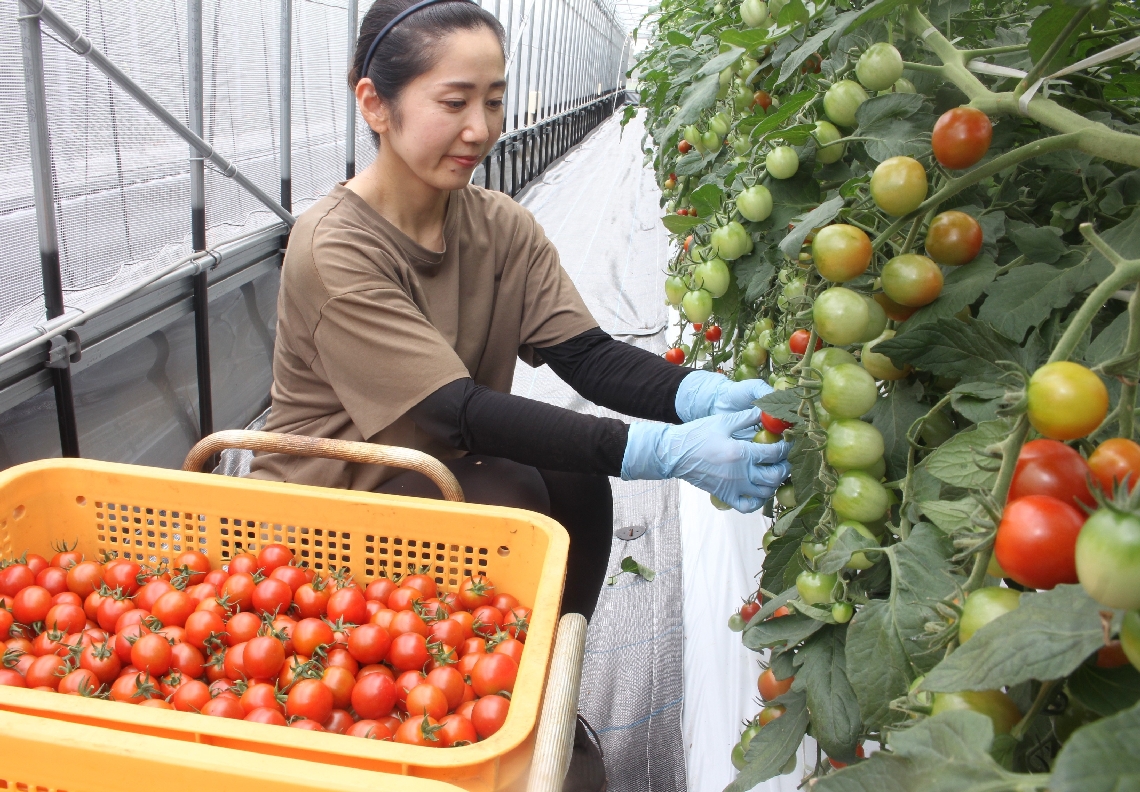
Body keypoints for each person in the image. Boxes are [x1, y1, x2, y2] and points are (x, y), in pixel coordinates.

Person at [248, 0, 791, 622]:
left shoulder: (500, 225)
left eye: (494, 100)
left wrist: (698, 393)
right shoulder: (334, 248)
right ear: (374, 103)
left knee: (576, 482)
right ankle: (496, 693)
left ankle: (554, 684)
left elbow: (585, 356)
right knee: (514, 498)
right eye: (454, 103)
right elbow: (454, 411)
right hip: (323, 515)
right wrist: (663, 451)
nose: (480, 128)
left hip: (437, 476)